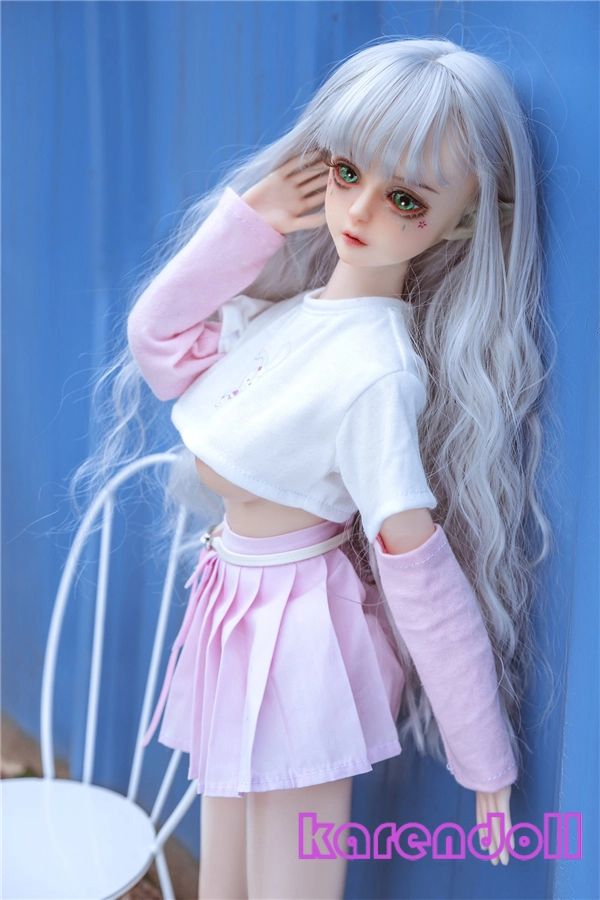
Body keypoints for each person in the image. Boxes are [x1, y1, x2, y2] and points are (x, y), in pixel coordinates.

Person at [103, 37, 549, 899]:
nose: (363, 208)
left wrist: (481, 753)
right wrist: (255, 218)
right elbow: (158, 341)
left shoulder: (378, 371)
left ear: (459, 221)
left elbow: (418, 568)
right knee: (224, 865)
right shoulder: (290, 315)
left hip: (299, 635)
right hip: (237, 602)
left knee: (287, 877)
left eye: (406, 198)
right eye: (347, 172)